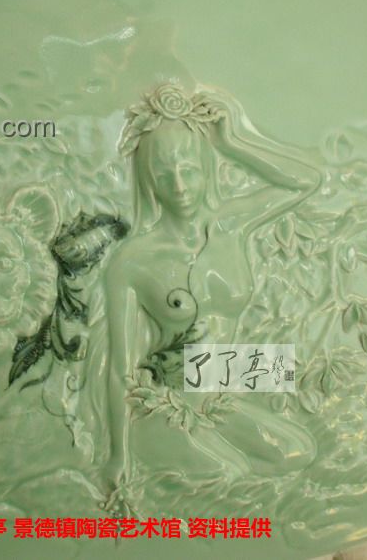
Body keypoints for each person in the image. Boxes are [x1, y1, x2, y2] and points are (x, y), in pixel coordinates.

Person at [104, 82, 321, 489]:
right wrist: (118, 454)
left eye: (188, 169)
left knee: (298, 454)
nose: (179, 186)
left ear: (206, 166)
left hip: (221, 385)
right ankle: (162, 445)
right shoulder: (133, 260)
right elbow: (119, 368)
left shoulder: (230, 224)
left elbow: (306, 180)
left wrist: (232, 141)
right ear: (149, 180)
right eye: (164, 175)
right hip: (169, 399)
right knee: (228, 474)